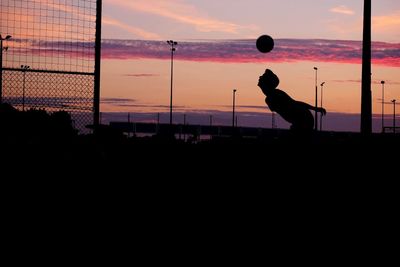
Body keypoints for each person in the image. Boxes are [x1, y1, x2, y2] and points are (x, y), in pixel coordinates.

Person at [258, 69, 326, 133]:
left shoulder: (275, 95)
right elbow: (293, 105)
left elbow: (294, 103)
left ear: (266, 83)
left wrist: (314, 108)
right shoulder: (271, 97)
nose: (260, 77)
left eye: (262, 77)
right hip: (300, 121)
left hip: (303, 119)